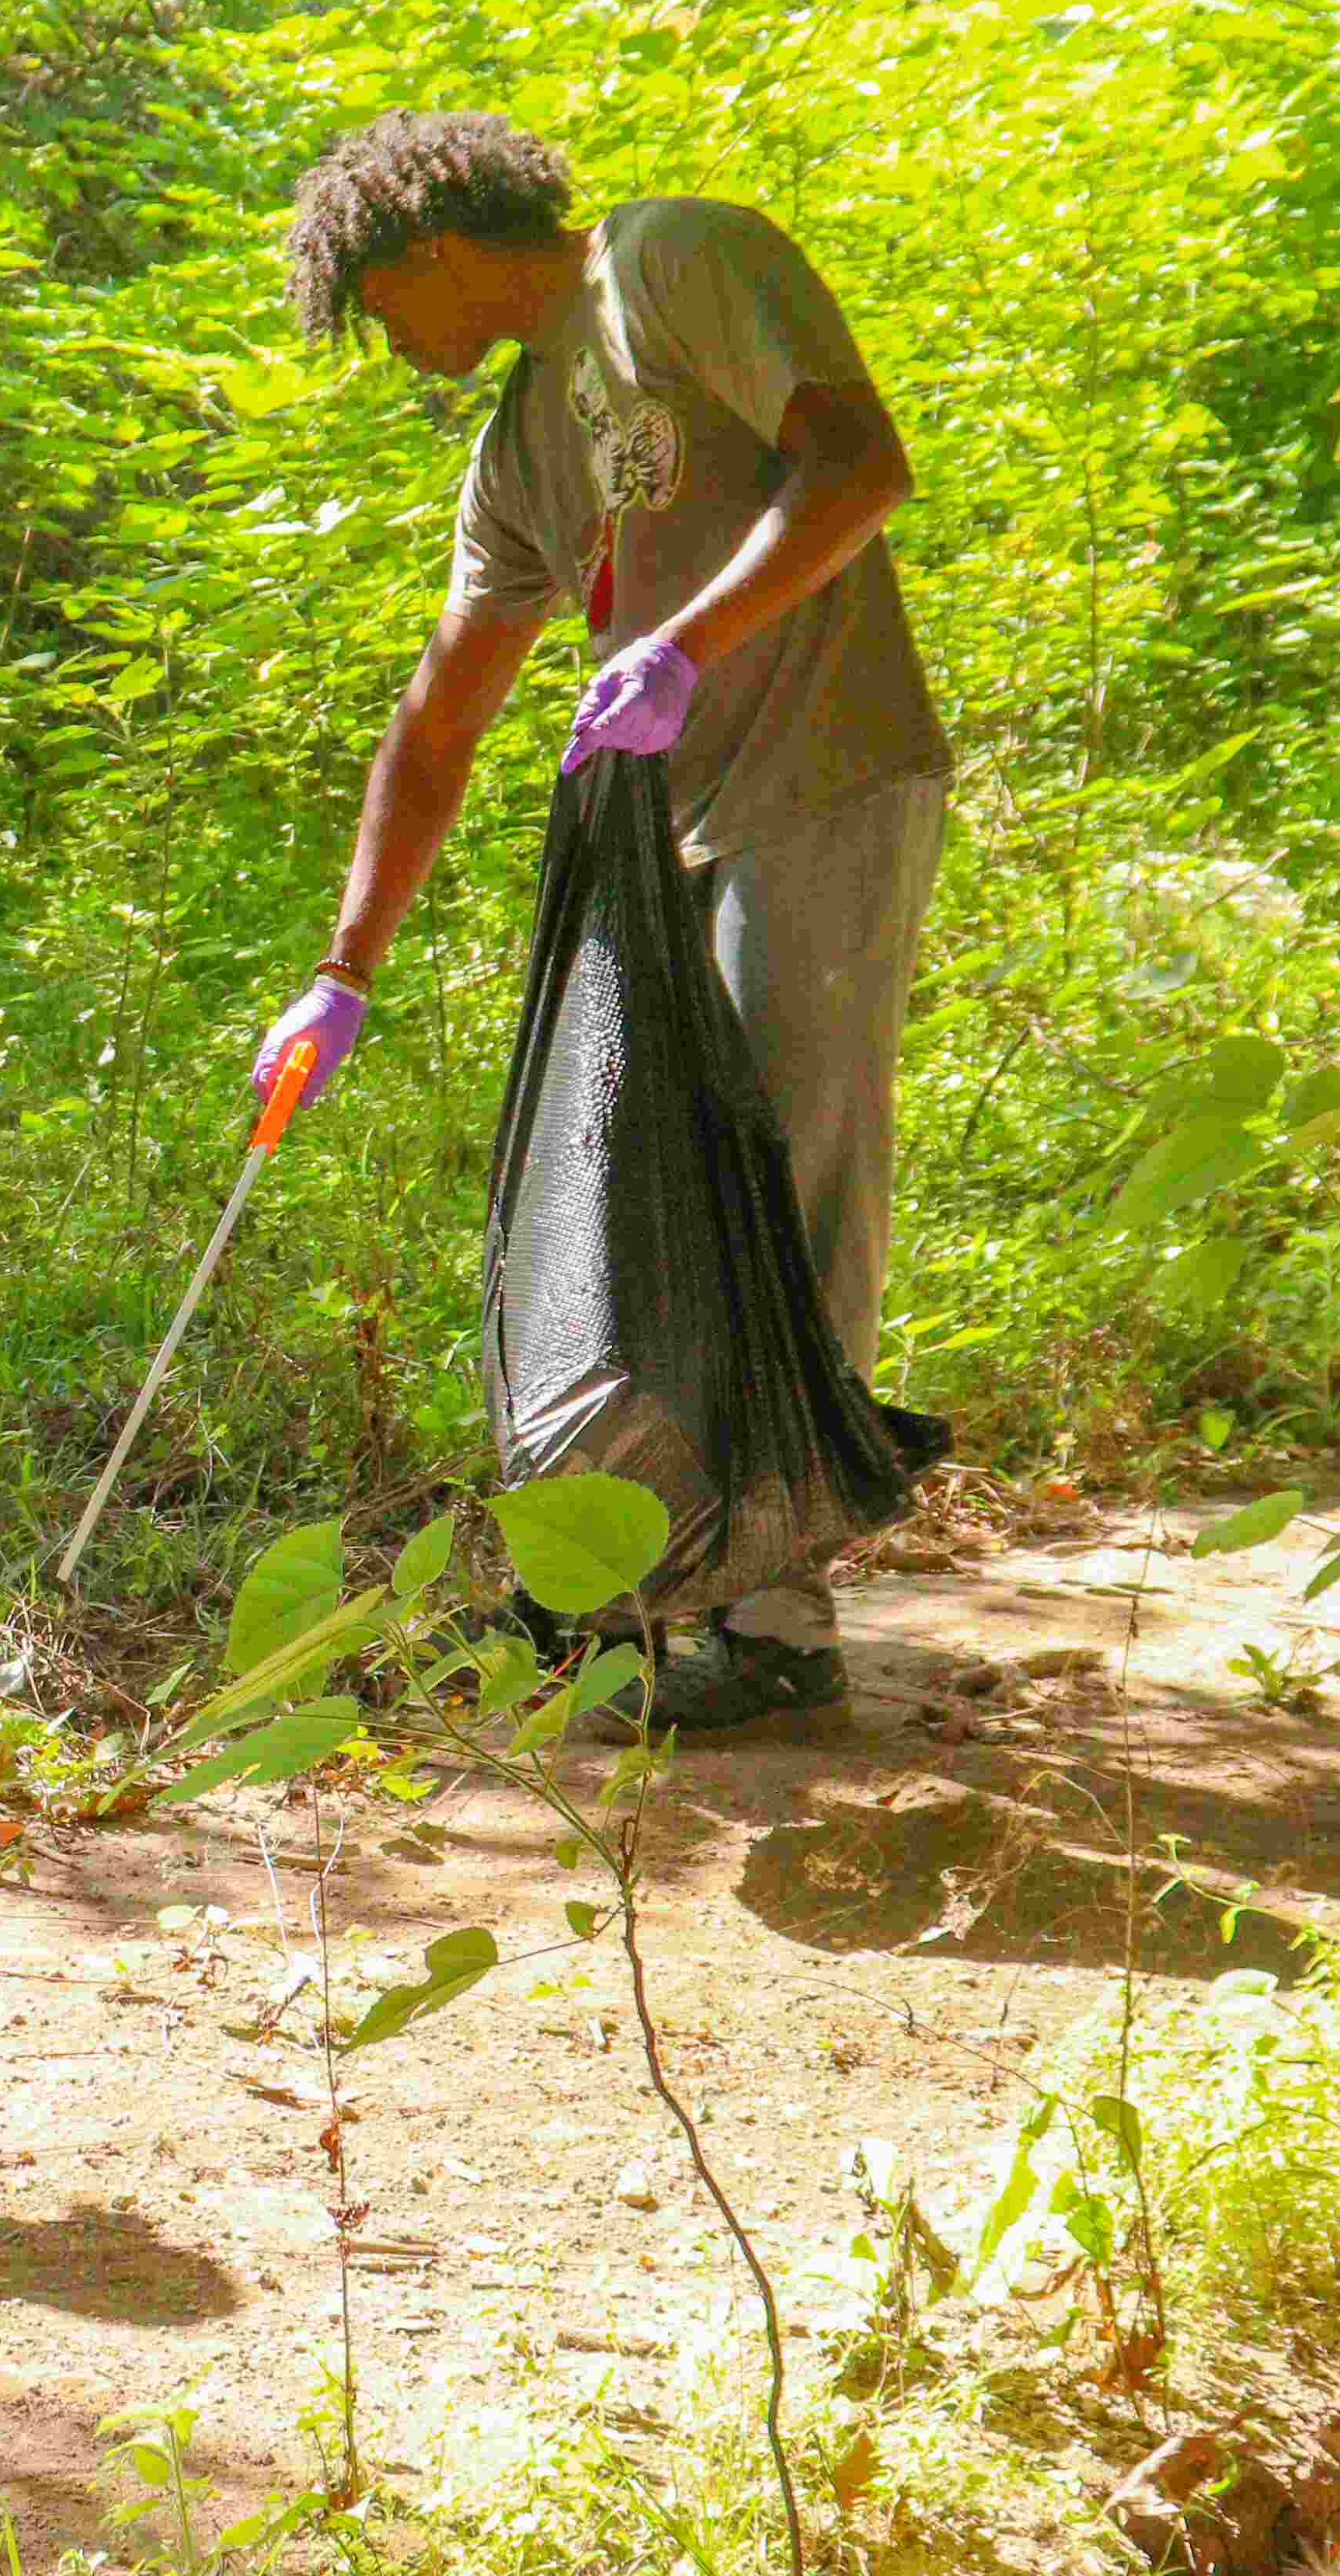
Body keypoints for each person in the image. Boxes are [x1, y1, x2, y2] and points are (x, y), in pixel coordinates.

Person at [259, 112, 945, 1728]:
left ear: (428, 250)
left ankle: (774, 1619)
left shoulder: (673, 261)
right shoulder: (518, 454)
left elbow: (863, 463)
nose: (392, 348)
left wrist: (686, 645)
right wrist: (338, 971)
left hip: (823, 777)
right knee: (634, 1187)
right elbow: (440, 718)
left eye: (379, 309)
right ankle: (634, 1576)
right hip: (672, 833)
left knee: (789, 1163)